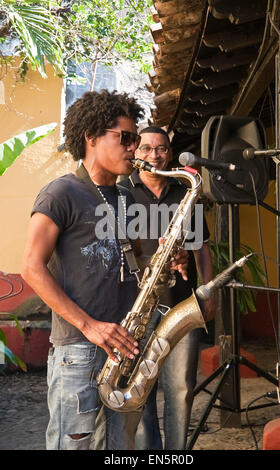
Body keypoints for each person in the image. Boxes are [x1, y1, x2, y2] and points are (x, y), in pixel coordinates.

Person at [21, 91, 188, 451]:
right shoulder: (60, 193)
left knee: (121, 447)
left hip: (126, 347)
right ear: (92, 137)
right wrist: (90, 326)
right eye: (126, 138)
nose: (135, 147)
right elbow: (31, 268)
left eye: (135, 138)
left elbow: (131, 260)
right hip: (79, 350)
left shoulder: (126, 197)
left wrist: (165, 261)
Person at [119, 126, 216, 450]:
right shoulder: (121, 194)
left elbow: (201, 246)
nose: (154, 156)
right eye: (146, 149)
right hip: (136, 308)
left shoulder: (186, 192)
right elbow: (115, 250)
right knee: (140, 392)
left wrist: (208, 291)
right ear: (136, 154)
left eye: (161, 149)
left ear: (170, 154)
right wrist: (153, 259)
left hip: (179, 305)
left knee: (181, 389)